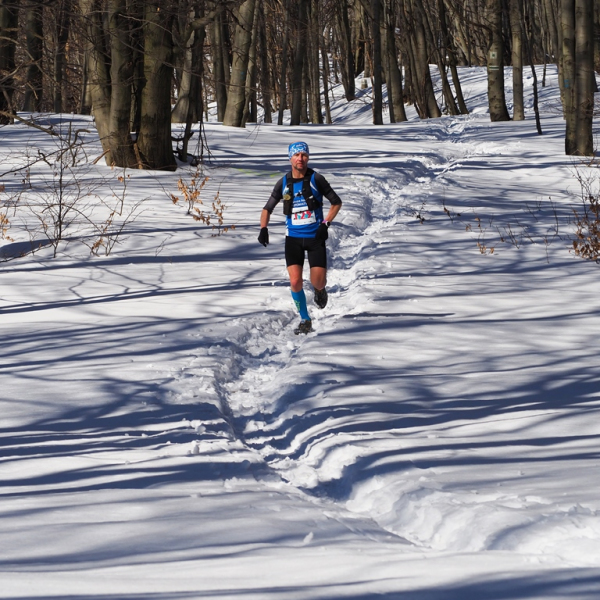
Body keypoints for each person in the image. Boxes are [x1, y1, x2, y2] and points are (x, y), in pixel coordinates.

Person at [258, 141, 342, 335]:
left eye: (304, 155)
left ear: (308, 157)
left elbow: (336, 202)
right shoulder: (284, 183)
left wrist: (325, 224)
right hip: (293, 239)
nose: (300, 159)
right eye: (296, 155)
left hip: (315, 238)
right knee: (295, 281)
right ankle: (305, 319)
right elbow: (267, 208)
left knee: (317, 281)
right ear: (290, 158)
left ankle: (320, 290)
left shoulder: (316, 179)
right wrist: (263, 228)